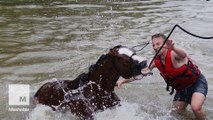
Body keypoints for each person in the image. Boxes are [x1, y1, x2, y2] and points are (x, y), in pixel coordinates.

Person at [116, 33, 208, 120]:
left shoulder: (173, 54)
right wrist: (122, 81)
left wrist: (173, 47)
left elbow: (183, 55)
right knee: (177, 112)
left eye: (158, 44)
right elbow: (140, 74)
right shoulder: (155, 62)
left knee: (195, 107)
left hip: (197, 83)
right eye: (153, 45)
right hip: (182, 90)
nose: (155, 47)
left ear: (165, 44)